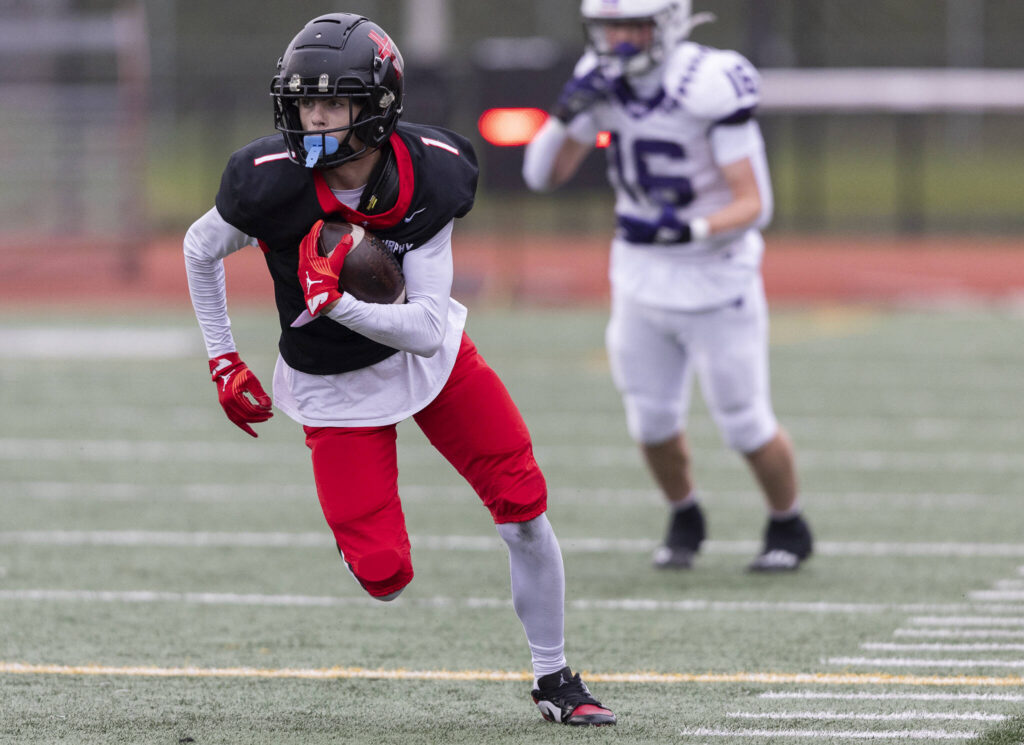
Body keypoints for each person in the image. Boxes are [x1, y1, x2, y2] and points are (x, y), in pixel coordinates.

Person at [183, 13, 615, 727]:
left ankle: (554, 675)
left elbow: (426, 328)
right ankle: (370, 547)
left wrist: (337, 300)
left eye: (331, 101)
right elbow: (201, 250)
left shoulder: (430, 173)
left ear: (377, 105)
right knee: (385, 575)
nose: (312, 116)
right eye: (304, 100)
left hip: (432, 361)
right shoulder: (268, 181)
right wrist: (223, 357)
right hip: (331, 384)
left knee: (526, 509)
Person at [523, 0, 813, 572]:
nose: (621, 41)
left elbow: (755, 204)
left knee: (744, 421)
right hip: (638, 276)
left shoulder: (706, 82)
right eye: (610, 29)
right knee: (651, 421)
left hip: (715, 274)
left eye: (633, 26)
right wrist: (563, 119)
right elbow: (541, 176)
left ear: (669, 23)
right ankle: (685, 513)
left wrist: (688, 228)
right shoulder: (598, 77)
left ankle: (789, 523)